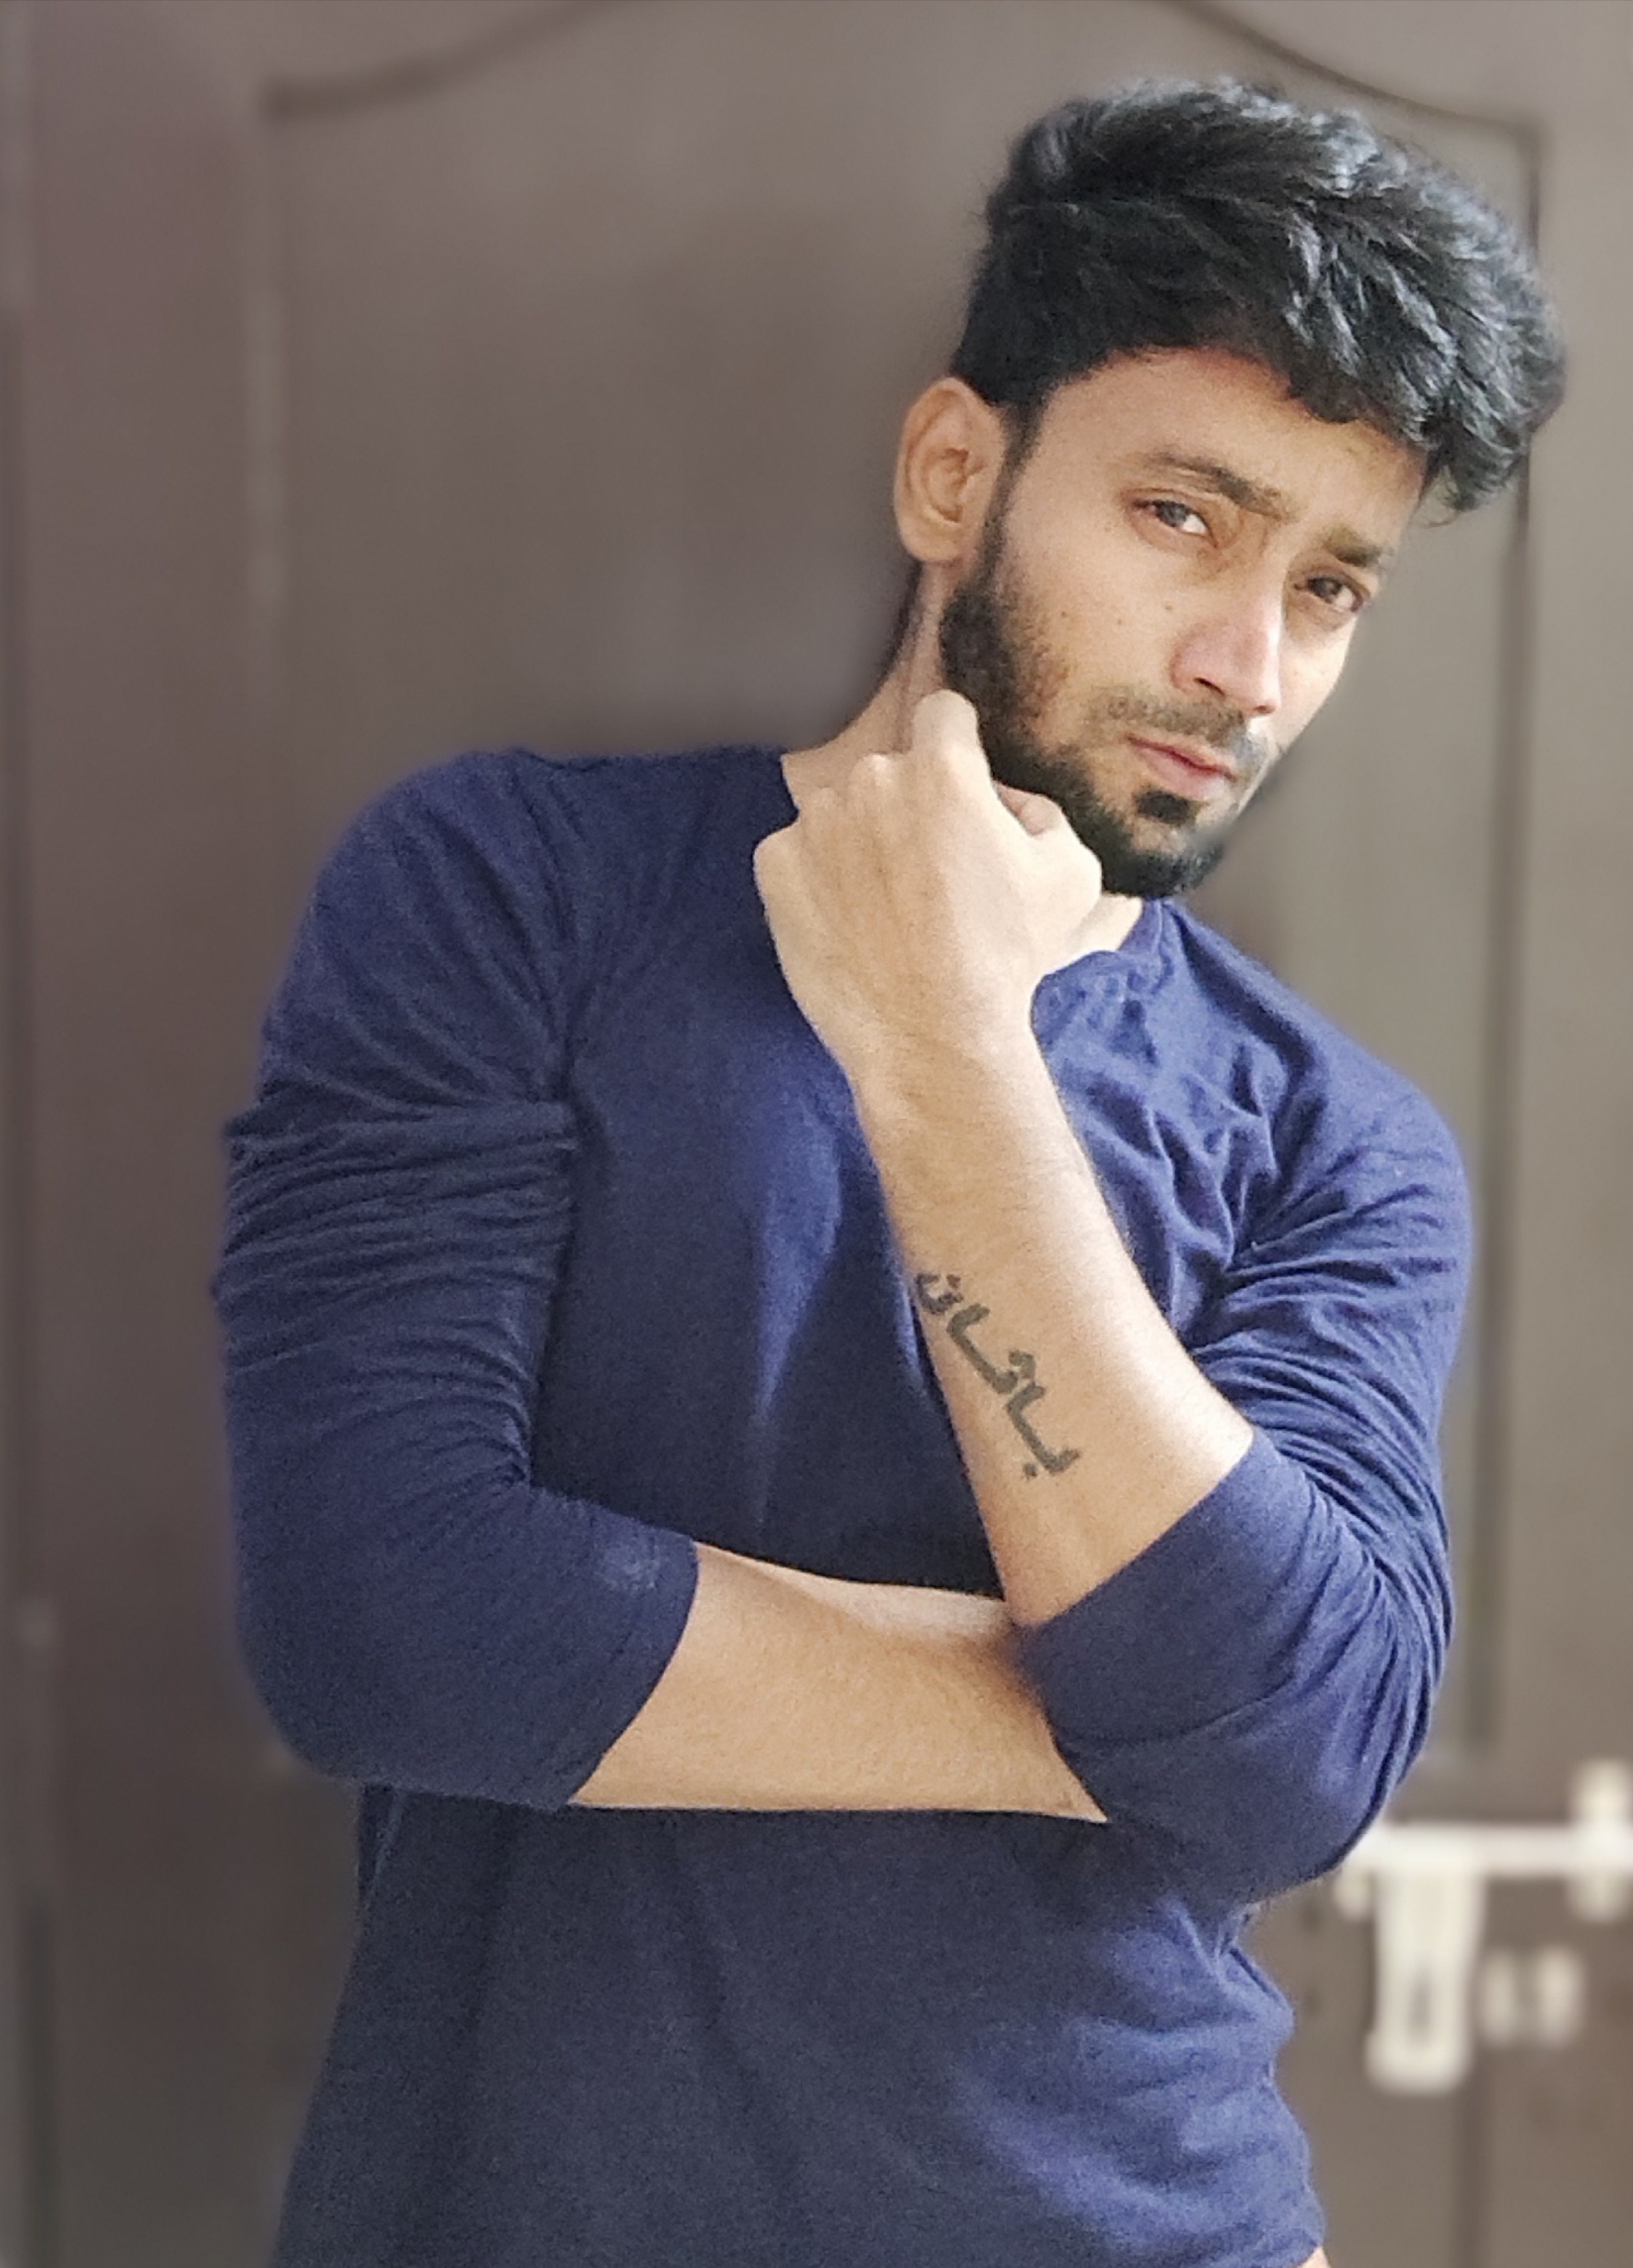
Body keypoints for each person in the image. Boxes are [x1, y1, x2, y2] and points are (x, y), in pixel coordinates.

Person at [215, 78, 1563, 2268]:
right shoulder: (505, 893)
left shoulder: (1339, 1143)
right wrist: (1109, 1712)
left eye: (1329, 583)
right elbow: (385, 1616)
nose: (1246, 664)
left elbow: (1293, 1770)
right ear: (955, 470)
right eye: (1183, 516)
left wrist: (942, 1043)